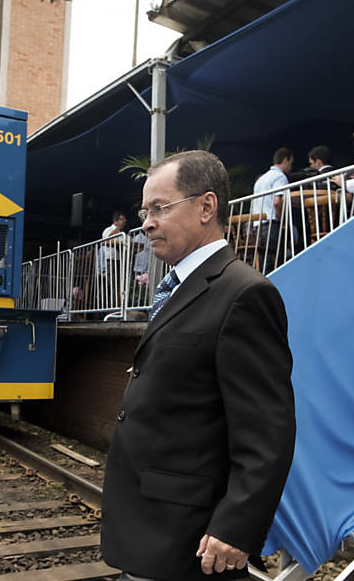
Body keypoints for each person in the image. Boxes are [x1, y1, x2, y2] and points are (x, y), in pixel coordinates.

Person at [101, 150, 296, 581]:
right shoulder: (177, 288)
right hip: (153, 523)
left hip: (192, 539)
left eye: (160, 208)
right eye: (145, 211)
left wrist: (236, 526)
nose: (147, 223)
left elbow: (267, 431)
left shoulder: (244, 293)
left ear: (207, 207)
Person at [251, 148, 295, 273]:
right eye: (291, 163)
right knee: (277, 263)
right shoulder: (279, 176)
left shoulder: (261, 179)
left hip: (258, 226)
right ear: (285, 160)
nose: (291, 167)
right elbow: (277, 202)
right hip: (272, 224)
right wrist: (283, 221)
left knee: (264, 264)